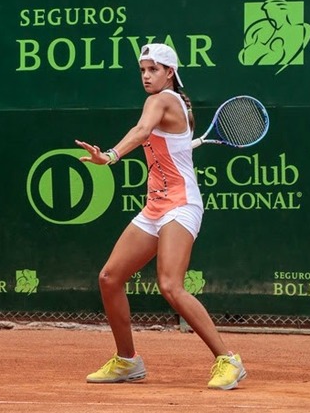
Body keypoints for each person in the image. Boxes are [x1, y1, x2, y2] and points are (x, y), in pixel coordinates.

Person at [75, 43, 247, 390]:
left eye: (153, 69)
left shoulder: (163, 100)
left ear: (170, 72)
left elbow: (140, 133)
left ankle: (228, 360)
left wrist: (110, 156)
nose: (146, 76)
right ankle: (127, 361)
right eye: (142, 70)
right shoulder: (179, 104)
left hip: (181, 205)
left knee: (170, 284)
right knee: (110, 278)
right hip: (155, 206)